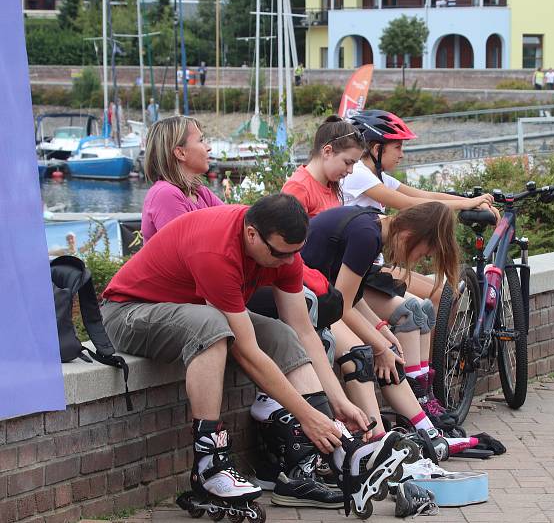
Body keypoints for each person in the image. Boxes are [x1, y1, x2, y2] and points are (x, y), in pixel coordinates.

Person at [100, 194, 416, 516]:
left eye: (295, 253)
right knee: (212, 327)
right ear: (252, 234)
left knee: (282, 335)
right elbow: (248, 352)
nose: (287, 261)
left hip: (190, 310)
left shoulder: (285, 254)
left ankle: (338, 454)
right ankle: (209, 465)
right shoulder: (216, 251)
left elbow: (304, 331)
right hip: (128, 313)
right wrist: (308, 418)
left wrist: (335, 405)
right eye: (279, 253)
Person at [342, 110, 498, 419]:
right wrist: (467, 203)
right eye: (397, 146)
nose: (402, 153)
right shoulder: (359, 173)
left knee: (446, 294)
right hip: (365, 269)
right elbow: (414, 206)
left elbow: (424, 193)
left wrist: (469, 198)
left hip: (375, 265)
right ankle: (422, 387)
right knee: (433, 302)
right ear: (376, 148)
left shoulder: (379, 175)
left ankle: (426, 374)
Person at [301, 202, 471, 458]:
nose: (416, 261)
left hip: (322, 297)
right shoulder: (365, 235)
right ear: (408, 236)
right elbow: (343, 306)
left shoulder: (375, 227)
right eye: (422, 254)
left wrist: (381, 330)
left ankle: (425, 429)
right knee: (361, 356)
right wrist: (379, 346)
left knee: (387, 349)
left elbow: (351, 295)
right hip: (303, 301)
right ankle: (378, 444)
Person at [139, 116, 223, 243]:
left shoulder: (200, 192)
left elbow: (234, 222)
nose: (208, 147)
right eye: (201, 140)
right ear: (180, 153)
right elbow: (188, 251)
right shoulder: (165, 194)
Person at [281, 115, 364, 218]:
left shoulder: (331, 183)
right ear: (327, 151)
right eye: (347, 163)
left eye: (354, 164)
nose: (351, 170)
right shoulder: (298, 188)